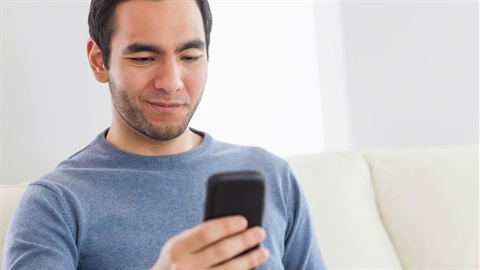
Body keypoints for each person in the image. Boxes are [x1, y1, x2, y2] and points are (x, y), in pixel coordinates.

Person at [3, 0, 325, 269]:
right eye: (144, 58)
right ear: (99, 61)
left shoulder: (272, 175)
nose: (171, 81)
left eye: (189, 57)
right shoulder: (54, 205)